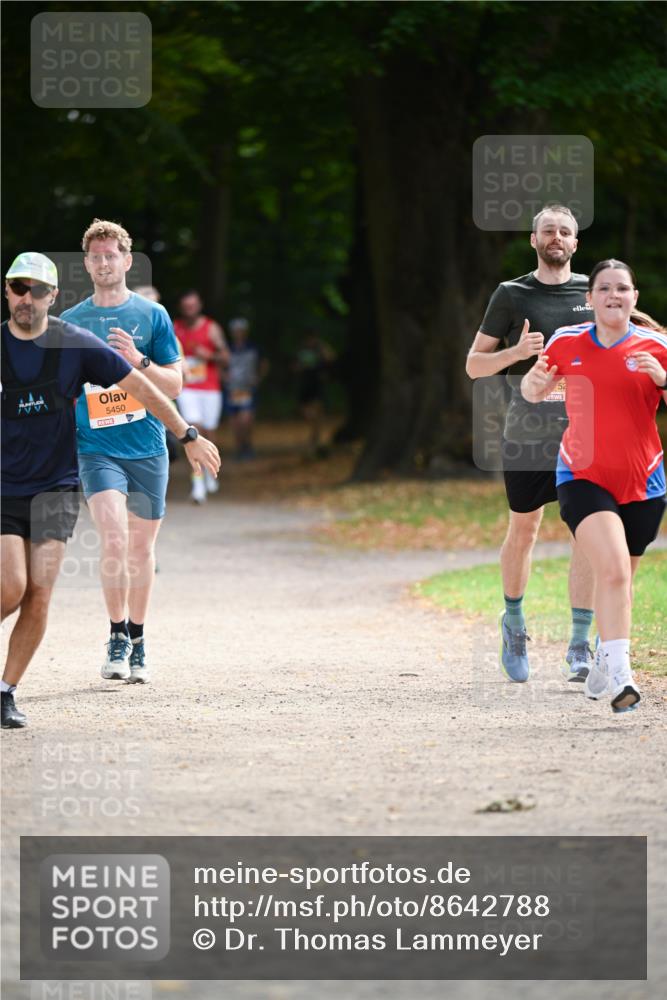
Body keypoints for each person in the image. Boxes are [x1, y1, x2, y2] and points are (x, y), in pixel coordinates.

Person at [1, 252, 220, 729]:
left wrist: (187, 435)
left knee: (39, 594)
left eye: (37, 289)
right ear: (7, 291)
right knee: (10, 587)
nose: (27, 297)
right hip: (6, 485)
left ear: (52, 296)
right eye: (19, 287)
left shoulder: (74, 343)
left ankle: (6, 693)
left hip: (55, 488)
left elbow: (141, 386)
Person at [521, 259, 667, 712]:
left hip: (644, 480)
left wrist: (663, 380)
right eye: (604, 288)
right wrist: (535, 383)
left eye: (622, 288)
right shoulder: (568, 342)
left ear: (634, 298)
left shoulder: (657, 346)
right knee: (614, 570)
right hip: (582, 474)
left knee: (620, 582)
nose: (613, 295)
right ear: (590, 299)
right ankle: (623, 678)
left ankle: (605, 659)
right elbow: (532, 389)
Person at [466, 204, 595, 684]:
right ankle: (514, 623)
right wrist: (517, 353)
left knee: (586, 532)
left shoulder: (593, 292)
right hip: (526, 435)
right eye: (548, 231)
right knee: (524, 533)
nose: (556, 237)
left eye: (565, 231)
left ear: (575, 243)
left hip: (583, 434)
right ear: (534, 239)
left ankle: (580, 644)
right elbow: (473, 365)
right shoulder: (511, 294)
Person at [60, 219, 189, 685]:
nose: (103, 262)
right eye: (95, 256)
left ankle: (138, 639)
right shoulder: (71, 323)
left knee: (141, 549)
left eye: (111, 254)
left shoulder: (153, 317)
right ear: (87, 264)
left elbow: (176, 383)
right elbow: (61, 391)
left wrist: (140, 362)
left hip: (148, 448)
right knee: (113, 539)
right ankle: (115, 635)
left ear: (127, 261)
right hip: (96, 449)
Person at [173, 290, 229, 502]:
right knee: (193, 431)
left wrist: (210, 355)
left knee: (209, 432)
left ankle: (209, 471)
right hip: (187, 388)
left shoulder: (211, 328)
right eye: (186, 306)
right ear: (182, 308)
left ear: (199, 306)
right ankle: (197, 485)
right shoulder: (174, 327)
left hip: (210, 388)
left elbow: (226, 357)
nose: (190, 310)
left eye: (193, 306)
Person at [225, 317, 268, 460]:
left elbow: (264, 363)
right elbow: (219, 365)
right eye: (236, 331)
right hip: (232, 389)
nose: (238, 333)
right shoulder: (227, 348)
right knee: (235, 422)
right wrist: (224, 378)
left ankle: (247, 446)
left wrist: (259, 378)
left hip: (248, 389)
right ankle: (239, 448)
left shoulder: (254, 348)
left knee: (246, 420)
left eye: (241, 331)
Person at [294, 333, 336, 458]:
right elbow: (295, 366)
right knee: (306, 411)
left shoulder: (321, 350)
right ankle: (314, 433)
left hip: (317, 385)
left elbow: (331, 358)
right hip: (305, 385)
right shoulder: (301, 351)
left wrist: (323, 347)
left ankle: (315, 437)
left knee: (318, 411)